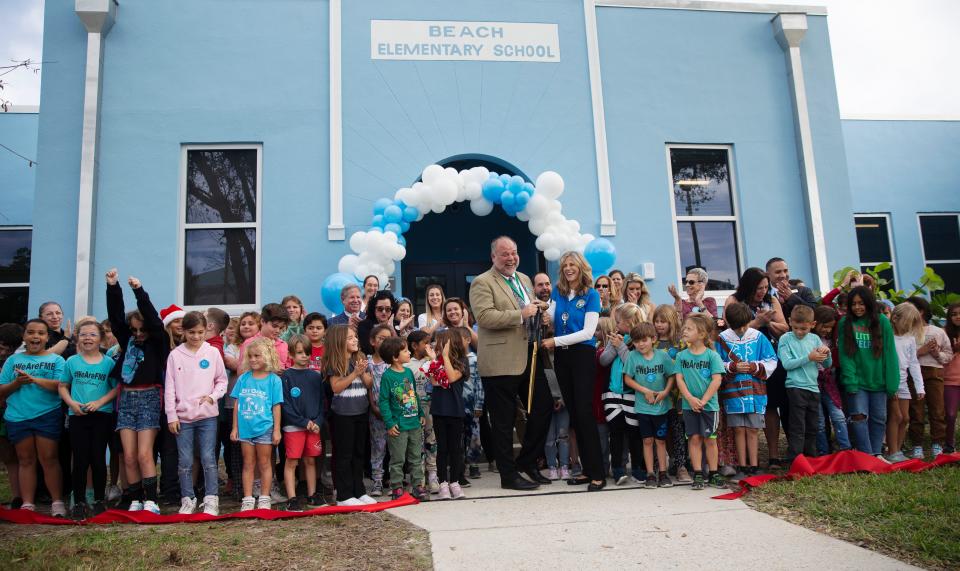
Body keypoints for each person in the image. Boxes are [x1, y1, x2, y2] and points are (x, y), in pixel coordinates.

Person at [469, 236, 551, 491]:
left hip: (529, 355)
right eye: (505, 254)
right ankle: (508, 475)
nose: (511, 258)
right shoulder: (482, 282)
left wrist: (539, 310)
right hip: (500, 361)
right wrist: (521, 314)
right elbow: (484, 317)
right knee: (503, 422)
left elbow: (527, 308)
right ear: (493, 256)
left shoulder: (524, 279)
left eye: (514, 253)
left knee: (544, 406)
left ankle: (526, 461)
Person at [541, 251, 606, 491]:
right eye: (565, 265)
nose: (568, 268)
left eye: (572, 265)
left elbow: (589, 333)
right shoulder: (558, 291)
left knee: (584, 412)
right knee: (575, 416)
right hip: (563, 357)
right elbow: (550, 315)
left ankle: (598, 472)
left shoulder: (591, 295)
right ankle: (586, 471)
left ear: (581, 268)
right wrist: (543, 314)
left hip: (581, 355)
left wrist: (554, 341)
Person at [106, 269, 168, 513]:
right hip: (127, 399)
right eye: (134, 330)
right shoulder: (128, 342)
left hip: (149, 397)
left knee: (144, 454)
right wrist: (113, 287)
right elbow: (115, 318)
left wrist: (138, 291)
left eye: (142, 329)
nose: (138, 334)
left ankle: (151, 500)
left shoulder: (157, 342)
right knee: (128, 456)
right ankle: (135, 497)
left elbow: (154, 320)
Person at [0, 320, 67, 516]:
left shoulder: (57, 360)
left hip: (47, 414)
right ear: (24, 337)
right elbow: (2, 390)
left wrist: (35, 379)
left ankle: (57, 502)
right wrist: (17, 383)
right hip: (18, 416)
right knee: (25, 459)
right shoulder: (13, 361)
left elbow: (60, 386)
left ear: (47, 337)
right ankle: (28, 503)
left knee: (49, 458)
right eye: (31, 333)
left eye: (40, 333)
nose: (35, 337)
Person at [164, 311, 228, 516]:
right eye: (192, 332)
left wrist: (213, 396)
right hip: (183, 417)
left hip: (207, 416)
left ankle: (211, 499)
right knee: (185, 461)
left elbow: (222, 380)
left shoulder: (212, 352)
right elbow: (170, 388)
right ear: (183, 331)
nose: (196, 336)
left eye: (200, 332)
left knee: (209, 458)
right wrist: (171, 416)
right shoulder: (175, 355)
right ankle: (188, 498)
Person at [726, 267, 789, 468]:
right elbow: (731, 331)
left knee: (772, 406)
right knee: (743, 413)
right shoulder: (734, 301)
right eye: (758, 287)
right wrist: (758, 321)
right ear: (748, 286)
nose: (762, 291)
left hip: (767, 359)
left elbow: (784, 329)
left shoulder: (771, 301)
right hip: (743, 364)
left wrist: (768, 323)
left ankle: (773, 456)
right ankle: (744, 461)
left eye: (765, 287)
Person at [57, 319, 117, 519]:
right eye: (83, 334)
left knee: (98, 459)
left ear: (101, 337)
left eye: (92, 334)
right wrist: (72, 404)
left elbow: (117, 388)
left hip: (101, 415)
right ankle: (80, 502)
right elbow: (62, 386)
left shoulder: (108, 362)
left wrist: (100, 402)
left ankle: (99, 500)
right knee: (80, 460)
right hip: (78, 416)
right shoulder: (72, 361)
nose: (88, 338)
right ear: (77, 337)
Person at [717, 302, 777, 480]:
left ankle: (754, 465)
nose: (742, 329)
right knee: (738, 429)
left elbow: (772, 360)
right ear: (729, 323)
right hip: (733, 393)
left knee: (752, 429)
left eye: (744, 325)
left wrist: (753, 366)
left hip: (755, 392)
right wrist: (732, 366)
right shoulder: (722, 338)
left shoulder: (758, 337)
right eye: (738, 327)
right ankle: (742, 465)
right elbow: (716, 362)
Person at [837, 286, 899, 456]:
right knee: (858, 417)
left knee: (879, 419)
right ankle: (867, 455)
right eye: (854, 304)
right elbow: (845, 355)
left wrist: (892, 383)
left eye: (861, 303)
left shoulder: (882, 322)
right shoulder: (845, 323)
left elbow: (890, 353)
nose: (857, 307)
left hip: (879, 381)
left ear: (869, 303)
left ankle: (876, 453)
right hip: (857, 381)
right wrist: (850, 381)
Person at [324, 325, 375, 506]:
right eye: (350, 338)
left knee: (358, 453)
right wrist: (355, 373)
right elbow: (336, 387)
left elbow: (369, 384)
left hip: (361, 411)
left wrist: (363, 373)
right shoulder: (335, 362)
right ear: (339, 341)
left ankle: (359, 491)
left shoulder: (359, 358)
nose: (355, 340)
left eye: (355, 337)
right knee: (344, 455)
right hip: (342, 414)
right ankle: (344, 495)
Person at [230, 338, 284, 511]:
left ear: (267, 356)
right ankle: (247, 498)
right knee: (248, 463)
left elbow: (276, 406)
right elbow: (237, 404)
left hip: (265, 428)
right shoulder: (243, 378)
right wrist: (235, 428)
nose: (253, 360)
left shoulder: (274, 380)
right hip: (246, 430)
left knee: (265, 463)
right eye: (250, 356)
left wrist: (276, 430)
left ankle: (264, 497)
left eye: (257, 356)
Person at [623, 322, 676, 489]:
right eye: (637, 341)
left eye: (644, 340)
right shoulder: (632, 356)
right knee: (647, 440)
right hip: (643, 407)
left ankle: (663, 472)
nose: (640, 344)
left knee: (660, 441)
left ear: (653, 339)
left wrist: (665, 392)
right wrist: (645, 390)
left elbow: (672, 375)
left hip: (661, 407)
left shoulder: (662, 356)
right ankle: (650, 474)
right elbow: (628, 378)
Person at [675, 314, 725, 490]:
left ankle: (713, 473)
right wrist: (689, 398)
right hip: (689, 406)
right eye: (684, 327)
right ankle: (697, 473)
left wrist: (703, 401)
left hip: (709, 407)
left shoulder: (712, 356)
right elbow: (679, 379)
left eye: (689, 328)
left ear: (702, 334)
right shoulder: (681, 356)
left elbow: (716, 380)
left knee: (710, 440)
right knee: (694, 439)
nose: (684, 330)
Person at [598, 303, 646, 485]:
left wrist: (622, 347)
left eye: (619, 322)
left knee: (634, 433)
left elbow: (633, 366)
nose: (616, 325)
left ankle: (637, 468)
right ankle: (617, 469)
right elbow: (603, 361)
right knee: (616, 432)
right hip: (612, 393)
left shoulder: (640, 340)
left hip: (632, 394)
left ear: (631, 321)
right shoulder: (616, 338)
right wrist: (613, 345)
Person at [778, 305, 831, 464]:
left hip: (813, 388)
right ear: (789, 322)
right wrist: (809, 357)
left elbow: (827, 364)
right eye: (795, 328)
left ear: (812, 325)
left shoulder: (814, 339)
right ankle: (796, 459)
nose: (799, 332)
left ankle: (811, 458)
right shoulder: (785, 338)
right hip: (795, 387)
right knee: (798, 425)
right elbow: (787, 364)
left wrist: (826, 353)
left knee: (813, 425)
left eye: (804, 329)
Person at [378, 336, 429, 501]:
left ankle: (418, 486)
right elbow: (383, 401)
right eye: (405, 350)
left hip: (413, 423)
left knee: (416, 457)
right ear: (394, 357)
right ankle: (397, 487)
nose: (409, 353)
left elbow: (413, 395)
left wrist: (420, 413)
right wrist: (390, 422)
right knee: (398, 459)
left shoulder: (408, 372)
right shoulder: (388, 376)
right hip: (398, 426)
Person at [280, 335, 325, 511]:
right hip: (294, 427)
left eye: (307, 352)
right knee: (292, 462)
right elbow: (285, 405)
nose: (304, 356)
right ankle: (292, 498)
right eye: (299, 353)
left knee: (311, 460)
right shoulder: (286, 377)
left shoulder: (315, 376)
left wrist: (317, 421)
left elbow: (322, 403)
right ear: (291, 354)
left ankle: (312, 495)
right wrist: (303, 422)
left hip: (314, 427)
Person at [905, 296, 953, 459]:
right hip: (912, 374)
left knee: (937, 409)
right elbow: (902, 357)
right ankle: (917, 445)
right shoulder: (905, 332)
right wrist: (921, 351)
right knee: (916, 411)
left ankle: (937, 444)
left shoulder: (937, 331)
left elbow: (948, 355)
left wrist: (935, 353)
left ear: (921, 311)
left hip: (934, 373)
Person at [427, 329, 469, 500]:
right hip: (439, 410)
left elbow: (451, 378)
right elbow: (436, 382)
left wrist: (444, 358)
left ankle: (455, 482)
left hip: (455, 410)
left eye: (441, 342)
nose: (438, 344)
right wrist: (434, 360)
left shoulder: (462, 361)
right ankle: (443, 482)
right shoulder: (435, 362)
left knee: (455, 449)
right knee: (442, 449)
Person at [652, 304, 691, 484]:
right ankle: (662, 466)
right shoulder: (651, 343)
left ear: (671, 322)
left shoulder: (680, 344)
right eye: (657, 321)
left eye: (663, 321)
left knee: (677, 431)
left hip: (677, 395)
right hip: (657, 395)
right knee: (661, 432)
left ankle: (681, 465)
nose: (659, 325)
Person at [222, 312, 258, 498]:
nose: (246, 326)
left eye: (251, 323)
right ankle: (238, 486)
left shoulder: (261, 345)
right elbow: (238, 367)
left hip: (256, 405)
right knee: (236, 448)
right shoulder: (231, 347)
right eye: (243, 323)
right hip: (233, 403)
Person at [886, 303, 926, 462]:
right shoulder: (887, 336)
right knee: (896, 416)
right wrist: (890, 385)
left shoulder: (909, 339)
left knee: (906, 418)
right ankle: (892, 451)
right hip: (891, 382)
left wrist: (919, 387)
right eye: (907, 323)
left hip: (903, 382)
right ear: (895, 318)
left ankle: (898, 449)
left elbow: (914, 363)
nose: (909, 327)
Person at [812, 306, 851, 454]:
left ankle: (845, 449)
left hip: (829, 382)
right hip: (812, 383)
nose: (827, 330)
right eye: (825, 326)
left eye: (830, 327)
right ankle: (823, 452)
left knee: (838, 416)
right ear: (815, 322)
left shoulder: (831, 340)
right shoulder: (808, 339)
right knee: (820, 421)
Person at [405, 330, 438, 492]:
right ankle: (418, 478)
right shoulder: (406, 365)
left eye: (430, 342)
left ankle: (433, 475)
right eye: (425, 342)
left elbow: (440, 377)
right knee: (416, 445)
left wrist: (434, 361)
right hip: (413, 410)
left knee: (431, 441)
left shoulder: (432, 361)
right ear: (414, 345)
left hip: (431, 407)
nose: (429, 345)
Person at [366, 324, 395, 497]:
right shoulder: (368, 362)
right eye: (381, 338)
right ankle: (377, 481)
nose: (385, 342)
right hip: (375, 412)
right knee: (378, 446)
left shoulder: (393, 362)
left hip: (393, 412)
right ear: (372, 341)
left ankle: (393, 480)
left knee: (394, 447)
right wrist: (373, 406)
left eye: (388, 338)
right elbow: (369, 387)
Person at [0, 323, 24, 508]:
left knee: (13, 455)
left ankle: (18, 497)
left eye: (6, 349)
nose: (3, 353)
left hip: (9, 413)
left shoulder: (16, 360)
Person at [458, 327, 486, 481]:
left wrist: (479, 404)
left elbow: (480, 384)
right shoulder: (453, 360)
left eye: (460, 339)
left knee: (474, 437)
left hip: (472, 404)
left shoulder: (474, 359)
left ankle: (474, 463)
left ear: (468, 340)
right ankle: (461, 464)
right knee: (459, 437)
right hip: (457, 405)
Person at [239, 304, 290, 373]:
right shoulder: (249, 344)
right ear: (262, 321)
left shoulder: (283, 345)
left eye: (281, 328)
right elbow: (241, 372)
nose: (278, 330)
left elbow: (288, 369)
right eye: (274, 326)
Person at [942, 302, 960, 454]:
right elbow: (941, 358)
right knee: (950, 414)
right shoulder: (944, 332)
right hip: (950, 379)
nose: (958, 317)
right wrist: (955, 349)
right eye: (954, 314)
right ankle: (949, 444)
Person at [358, 291, 397, 356]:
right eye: (380, 309)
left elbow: (399, 350)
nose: (384, 312)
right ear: (374, 309)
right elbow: (367, 349)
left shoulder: (396, 325)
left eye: (388, 309)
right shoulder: (364, 325)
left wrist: (391, 329)